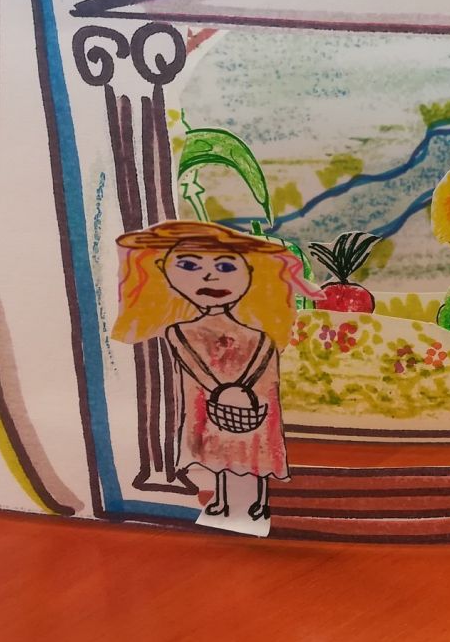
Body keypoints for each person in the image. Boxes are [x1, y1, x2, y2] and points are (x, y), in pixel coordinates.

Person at [112, 221, 314, 523]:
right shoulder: (179, 332)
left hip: (252, 406)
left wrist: (239, 390)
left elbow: (265, 368)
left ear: (251, 272)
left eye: (226, 266)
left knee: (253, 448)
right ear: (163, 271)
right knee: (218, 450)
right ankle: (222, 498)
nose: (209, 276)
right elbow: (193, 366)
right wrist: (223, 390)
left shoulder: (259, 337)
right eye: (189, 265)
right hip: (211, 406)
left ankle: (258, 500)